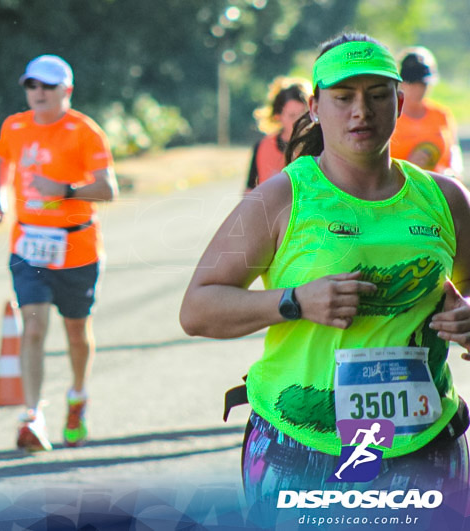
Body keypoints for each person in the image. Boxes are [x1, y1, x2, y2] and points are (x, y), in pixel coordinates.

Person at [180, 33, 470, 512]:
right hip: (302, 449)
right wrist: (294, 301)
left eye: (378, 96)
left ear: (399, 102)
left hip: (425, 447)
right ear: (315, 107)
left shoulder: (446, 199)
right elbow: (197, 308)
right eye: (343, 98)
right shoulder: (278, 199)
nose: (362, 111)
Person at [0, 54, 118, 451]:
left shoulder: (84, 131)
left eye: (47, 86)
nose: (39, 93)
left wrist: (65, 191)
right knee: (33, 327)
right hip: (28, 246)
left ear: (67, 90)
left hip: (76, 246)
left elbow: (108, 189)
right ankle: (32, 414)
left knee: (76, 332)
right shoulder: (15, 125)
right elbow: (2, 161)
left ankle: (77, 396)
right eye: (32, 85)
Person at [391, 46, 463, 177]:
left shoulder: (441, 115)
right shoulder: (391, 117)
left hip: (438, 187)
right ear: (401, 83)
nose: (418, 89)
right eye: (412, 83)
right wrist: (408, 167)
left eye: (423, 84)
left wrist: (453, 172)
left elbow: (454, 152)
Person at [244, 76, 311, 191]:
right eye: (292, 116)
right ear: (278, 117)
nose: (300, 121)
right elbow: (250, 193)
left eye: (304, 114)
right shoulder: (262, 148)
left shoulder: (322, 147)